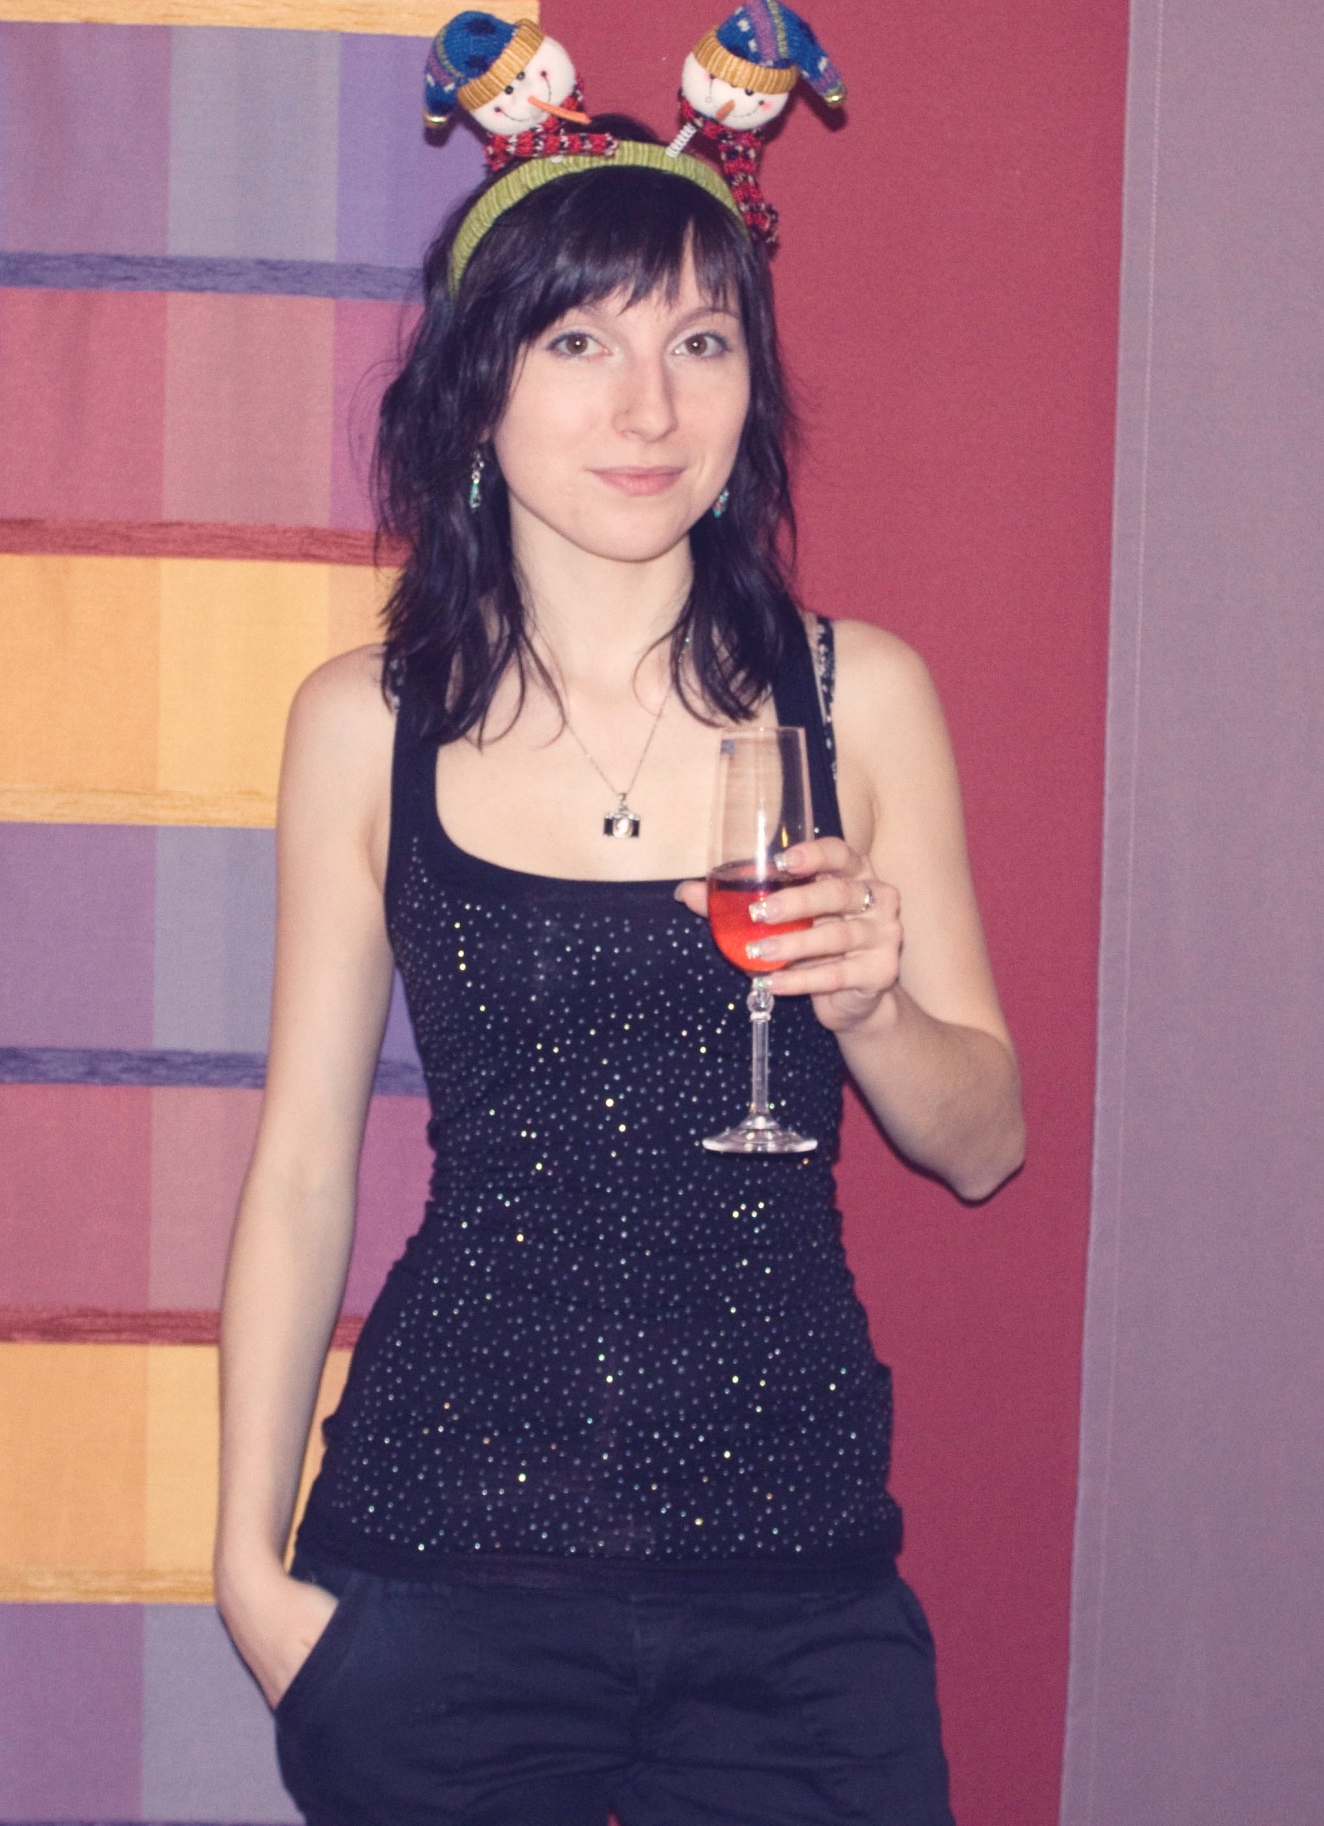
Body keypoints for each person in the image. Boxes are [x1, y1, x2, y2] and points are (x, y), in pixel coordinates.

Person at [214, 124, 1024, 1826]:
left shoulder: (856, 699)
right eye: (580, 340)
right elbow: (300, 1170)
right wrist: (244, 1570)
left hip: (795, 1589)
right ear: (475, 394)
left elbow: (983, 1143)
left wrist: (873, 1007)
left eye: (699, 341)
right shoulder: (366, 724)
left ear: (749, 392)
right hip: (437, 1575)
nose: (648, 406)